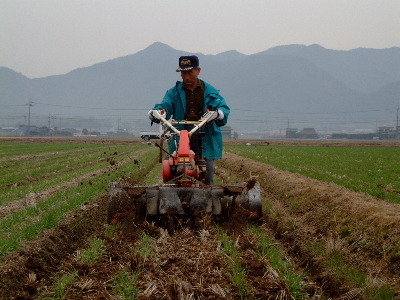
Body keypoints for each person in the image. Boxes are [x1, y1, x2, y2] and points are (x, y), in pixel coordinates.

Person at [149, 55, 230, 185]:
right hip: (180, 137)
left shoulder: (210, 92)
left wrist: (219, 113)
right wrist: (157, 112)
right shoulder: (174, 92)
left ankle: (207, 199)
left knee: (207, 177)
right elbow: (165, 106)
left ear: (198, 71)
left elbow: (222, 108)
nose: (186, 77)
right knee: (174, 176)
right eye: (183, 73)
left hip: (204, 139)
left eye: (190, 72)